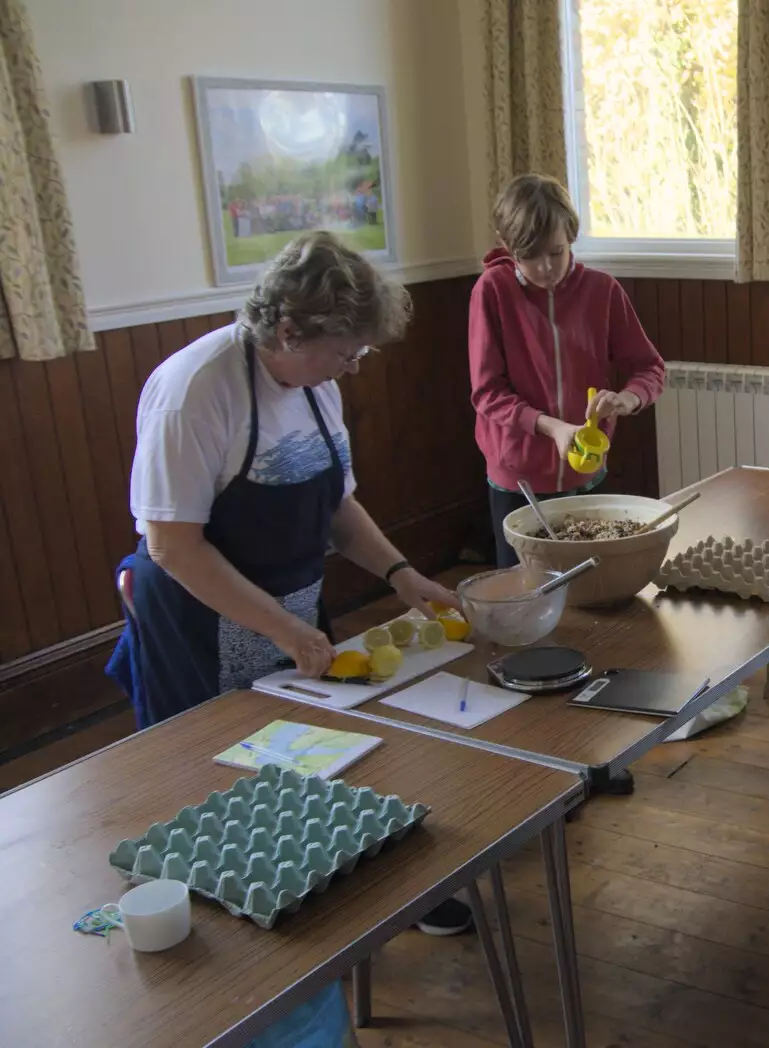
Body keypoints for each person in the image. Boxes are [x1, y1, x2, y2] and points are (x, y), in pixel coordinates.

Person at [108, 233, 470, 1041]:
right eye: (346, 349)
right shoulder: (195, 392)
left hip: (290, 605)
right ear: (288, 333)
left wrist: (401, 574)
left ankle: (353, 909)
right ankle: (241, 972)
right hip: (198, 622)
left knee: (326, 758)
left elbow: (338, 507)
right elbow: (172, 545)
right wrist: (286, 629)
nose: (355, 364)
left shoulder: (317, 386)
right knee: (220, 785)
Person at [469, 174, 666, 569]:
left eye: (556, 252)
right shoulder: (492, 291)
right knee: (526, 590)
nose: (546, 268)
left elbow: (649, 367)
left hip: (585, 473)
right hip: (516, 479)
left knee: (588, 587)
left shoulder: (602, 290)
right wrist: (552, 427)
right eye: (531, 255)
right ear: (506, 244)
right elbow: (487, 392)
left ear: (572, 235)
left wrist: (627, 399)